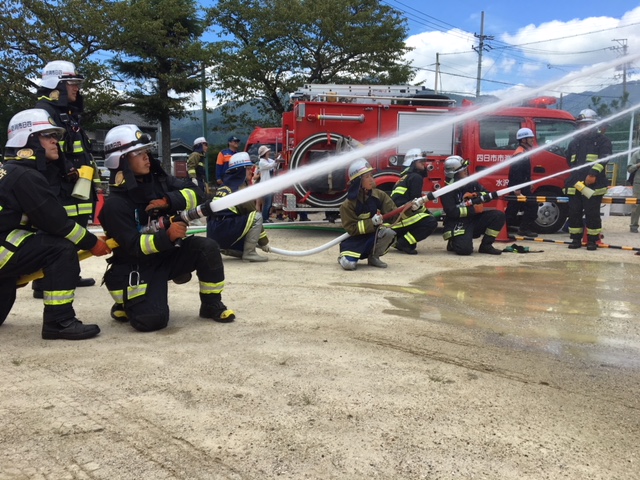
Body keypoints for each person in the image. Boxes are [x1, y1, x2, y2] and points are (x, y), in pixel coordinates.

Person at [98, 124, 235, 331]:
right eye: (138, 153)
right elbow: (133, 246)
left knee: (207, 247)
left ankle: (210, 304)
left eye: (146, 151)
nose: (146, 157)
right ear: (121, 160)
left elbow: (195, 193)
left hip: (166, 255)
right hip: (137, 266)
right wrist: (168, 236)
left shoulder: (159, 182)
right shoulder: (115, 205)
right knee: (152, 321)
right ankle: (126, 301)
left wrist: (169, 201)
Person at [0, 109, 111, 339]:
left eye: (55, 136)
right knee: (60, 248)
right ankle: (59, 321)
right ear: (28, 140)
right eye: (46, 136)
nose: (55, 141)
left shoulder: (12, 170)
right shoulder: (25, 176)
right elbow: (56, 222)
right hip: (3, 249)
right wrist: (93, 243)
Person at [33, 60, 100, 294]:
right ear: (56, 84)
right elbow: (46, 154)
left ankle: (70, 273)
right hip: (57, 186)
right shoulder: (44, 113)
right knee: (57, 230)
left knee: (76, 227)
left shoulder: (66, 113)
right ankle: (43, 281)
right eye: (72, 83)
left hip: (75, 185)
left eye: (77, 84)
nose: (76, 88)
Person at [207, 152, 270, 262]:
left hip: (214, 234)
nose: (252, 171)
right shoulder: (240, 190)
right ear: (241, 170)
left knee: (243, 218)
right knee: (256, 216)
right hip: (225, 230)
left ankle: (230, 249)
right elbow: (253, 212)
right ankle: (249, 253)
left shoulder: (225, 186)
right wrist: (263, 242)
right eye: (249, 168)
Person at [564, 109, 612, 250]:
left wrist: (592, 174)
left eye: (587, 124)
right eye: (581, 124)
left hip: (593, 184)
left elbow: (604, 158)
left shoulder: (602, 141)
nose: (583, 127)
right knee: (574, 212)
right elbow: (570, 161)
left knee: (592, 213)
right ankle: (575, 239)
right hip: (576, 183)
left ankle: (592, 240)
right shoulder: (574, 142)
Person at [338, 159, 397, 270]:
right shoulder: (348, 204)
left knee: (389, 233)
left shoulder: (379, 195)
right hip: (355, 240)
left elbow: (393, 213)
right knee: (349, 265)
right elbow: (351, 228)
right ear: (358, 181)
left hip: (372, 237)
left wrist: (410, 208)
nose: (371, 179)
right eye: (367, 177)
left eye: (371, 175)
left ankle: (373, 257)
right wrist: (372, 222)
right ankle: (343, 257)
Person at [440, 155, 505, 255]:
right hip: (458, 223)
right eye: (463, 170)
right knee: (465, 251)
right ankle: (453, 242)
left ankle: (486, 246)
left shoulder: (472, 183)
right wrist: (473, 210)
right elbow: (452, 212)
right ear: (455, 174)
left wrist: (477, 195)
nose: (466, 171)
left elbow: (488, 194)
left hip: (474, 220)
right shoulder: (446, 190)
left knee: (498, 216)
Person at [389, 148, 438, 254]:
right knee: (430, 222)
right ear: (413, 162)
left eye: (424, 161)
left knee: (413, 242)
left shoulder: (404, 177)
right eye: (421, 161)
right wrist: (428, 214)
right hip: (402, 215)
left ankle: (399, 239)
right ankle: (403, 242)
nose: (424, 164)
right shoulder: (416, 177)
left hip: (396, 216)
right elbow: (416, 202)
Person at [505, 128, 539, 237]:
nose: (532, 140)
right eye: (530, 138)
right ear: (523, 140)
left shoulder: (523, 151)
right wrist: (517, 189)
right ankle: (523, 229)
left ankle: (503, 228)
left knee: (513, 208)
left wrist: (529, 182)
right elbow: (516, 173)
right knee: (532, 206)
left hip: (521, 185)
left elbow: (523, 172)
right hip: (519, 186)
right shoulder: (520, 153)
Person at [258, 145, 277, 223]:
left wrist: (277, 159)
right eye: (267, 152)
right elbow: (271, 165)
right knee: (267, 203)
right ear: (264, 153)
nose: (269, 153)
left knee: (269, 203)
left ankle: (266, 217)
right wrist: (277, 160)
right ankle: (264, 218)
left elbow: (273, 162)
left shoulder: (268, 160)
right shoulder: (262, 162)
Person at [627, 149, 640, 233]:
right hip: (638, 183)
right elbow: (629, 169)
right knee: (636, 204)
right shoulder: (637, 154)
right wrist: (638, 165)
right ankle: (634, 226)